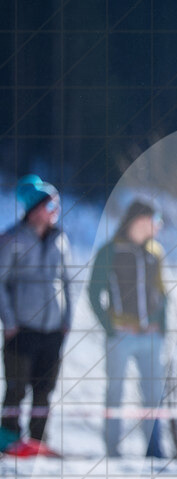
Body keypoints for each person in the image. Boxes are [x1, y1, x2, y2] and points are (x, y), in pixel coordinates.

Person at [88, 199, 167, 459]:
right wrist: (110, 327)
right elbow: (94, 292)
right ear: (137, 221)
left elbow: (161, 291)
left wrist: (162, 326)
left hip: (151, 336)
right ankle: (112, 451)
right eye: (152, 220)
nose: (156, 227)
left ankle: (154, 451)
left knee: (154, 395)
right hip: (121, 335)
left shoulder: (155, 251)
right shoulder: (109, 251)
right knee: (115, 392)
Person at [0, 175, 72, 456]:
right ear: (35, 208)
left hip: (53, 330)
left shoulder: (60, 238)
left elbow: (68, 280)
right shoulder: (12, 239)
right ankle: (8, 442)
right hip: (22, 329)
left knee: (45, 390)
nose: (55, 210)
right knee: (16, 390)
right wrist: (10, 321)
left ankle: (39, 443)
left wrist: (67, 320)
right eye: (50, 204)